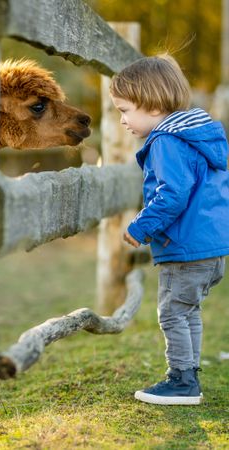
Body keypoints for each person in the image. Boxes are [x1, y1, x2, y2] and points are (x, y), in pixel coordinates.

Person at [110, 54, 229, 405]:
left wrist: (141, 226)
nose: (122, 120)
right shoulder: (196, 135)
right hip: (211, 248)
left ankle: (181, 380)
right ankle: (188, 374)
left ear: (153, 104)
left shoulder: (166, 141)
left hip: (185, 246)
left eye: (125, 109)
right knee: (187, 310)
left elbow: (173, 194)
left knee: (173, 312)